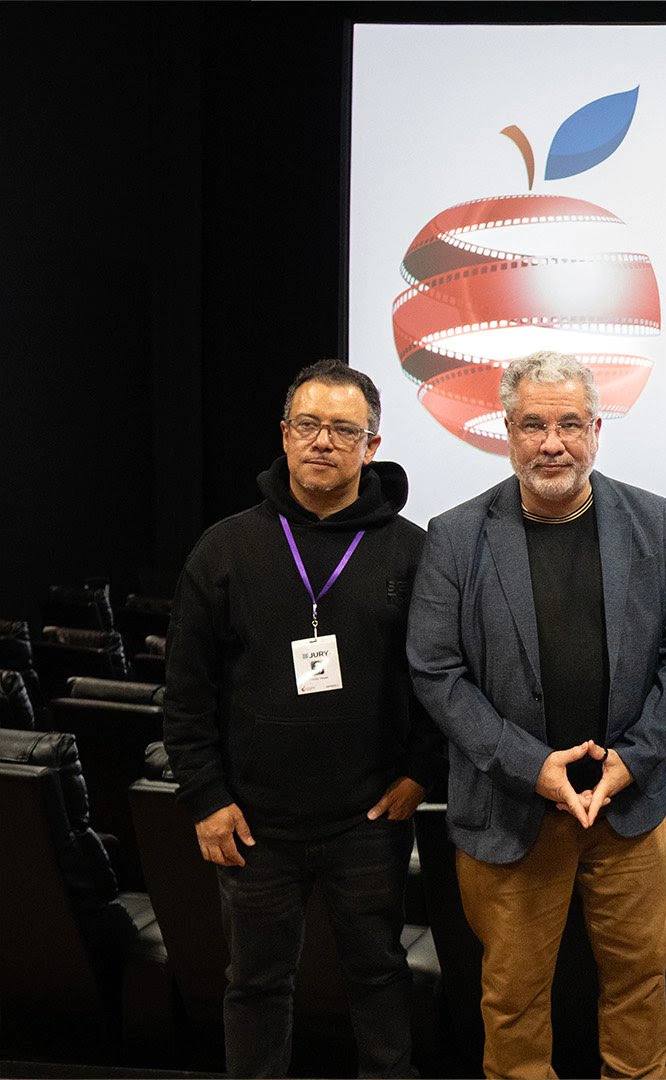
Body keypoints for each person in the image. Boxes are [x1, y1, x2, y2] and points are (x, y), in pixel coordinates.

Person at [407, 350, 666, 1079]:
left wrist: (634, 760)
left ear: (596, 430)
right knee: (512, 1002)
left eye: (570, 424)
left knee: (639, 989)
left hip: (628, 810)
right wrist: (530, 766)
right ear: (507, 430)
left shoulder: (652, 521)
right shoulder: (456, 535)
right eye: (534, 425)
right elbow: (436, 670)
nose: (553, 443)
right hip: (511, 813)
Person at [164, 359, 441, 1078]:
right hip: (254, 821)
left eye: (343, 430)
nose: (323, 441)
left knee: (380, 977)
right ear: (284, 435)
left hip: (368, 820)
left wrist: (421, 772)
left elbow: (439, 681)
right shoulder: (224, 549)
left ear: (372, 446)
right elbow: (186, 693)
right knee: (255, 985)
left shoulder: (414, 553)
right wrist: (206, 798)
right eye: (308, 425)